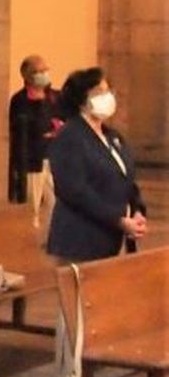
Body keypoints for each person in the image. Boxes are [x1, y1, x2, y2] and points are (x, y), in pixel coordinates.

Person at [47, 67, 147, 263]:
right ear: (82, 100)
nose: (107, 97)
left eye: (108, 91)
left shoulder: (113, 136)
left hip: (113, 238)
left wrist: (137, 211)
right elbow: (75, 191)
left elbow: (126, 178)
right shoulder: (70, 137)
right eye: (99, 92)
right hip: (81, 240)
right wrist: (118, 220)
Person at [8, 55, 65, 204]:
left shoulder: (56, 96)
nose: (44, 73)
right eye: (39, 71)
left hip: (56, 159)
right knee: (33, 207)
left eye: (45, 69)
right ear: (27, 75)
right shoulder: (20, 100)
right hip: (33, 162)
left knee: (55, 206)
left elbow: (65, 120)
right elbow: (22, 131)